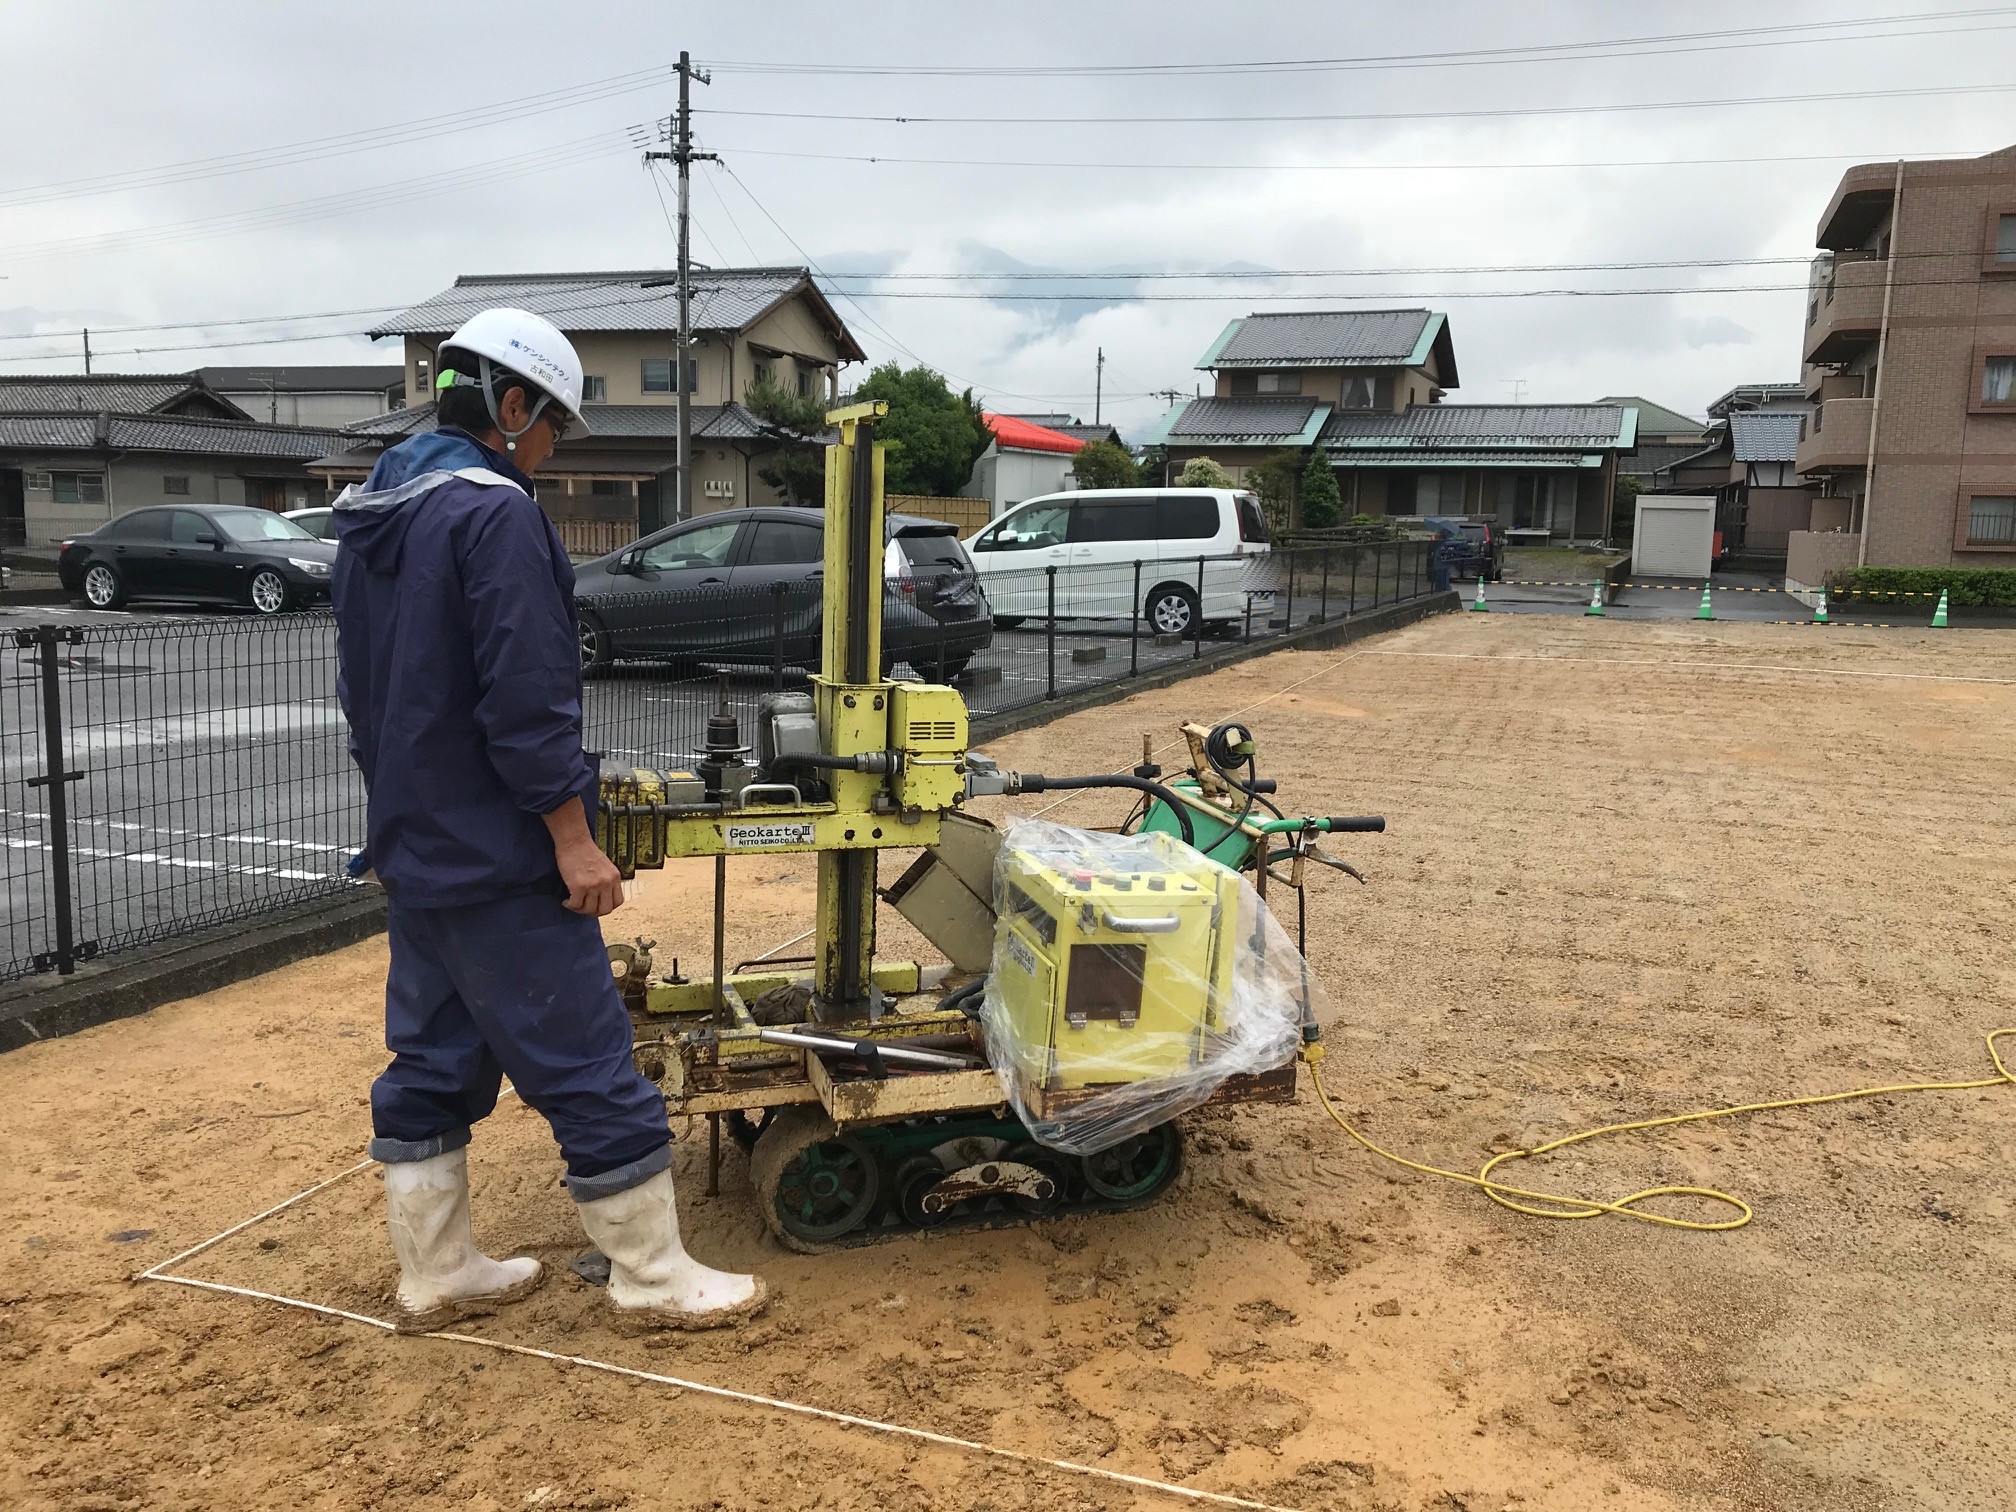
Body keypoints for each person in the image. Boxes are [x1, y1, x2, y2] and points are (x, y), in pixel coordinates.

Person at [331, 307, 765, 1333]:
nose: (550, 449)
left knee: (433, 1057)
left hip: (416, 844)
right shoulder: (495, 515)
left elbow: (366, 695)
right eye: (552, 428)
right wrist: (572, 839)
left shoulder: (376, 512)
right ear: (510, 406)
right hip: (500, 852)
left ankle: (436, 1272)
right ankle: (655, 1279)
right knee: (585, 1055)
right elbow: (526, 701)